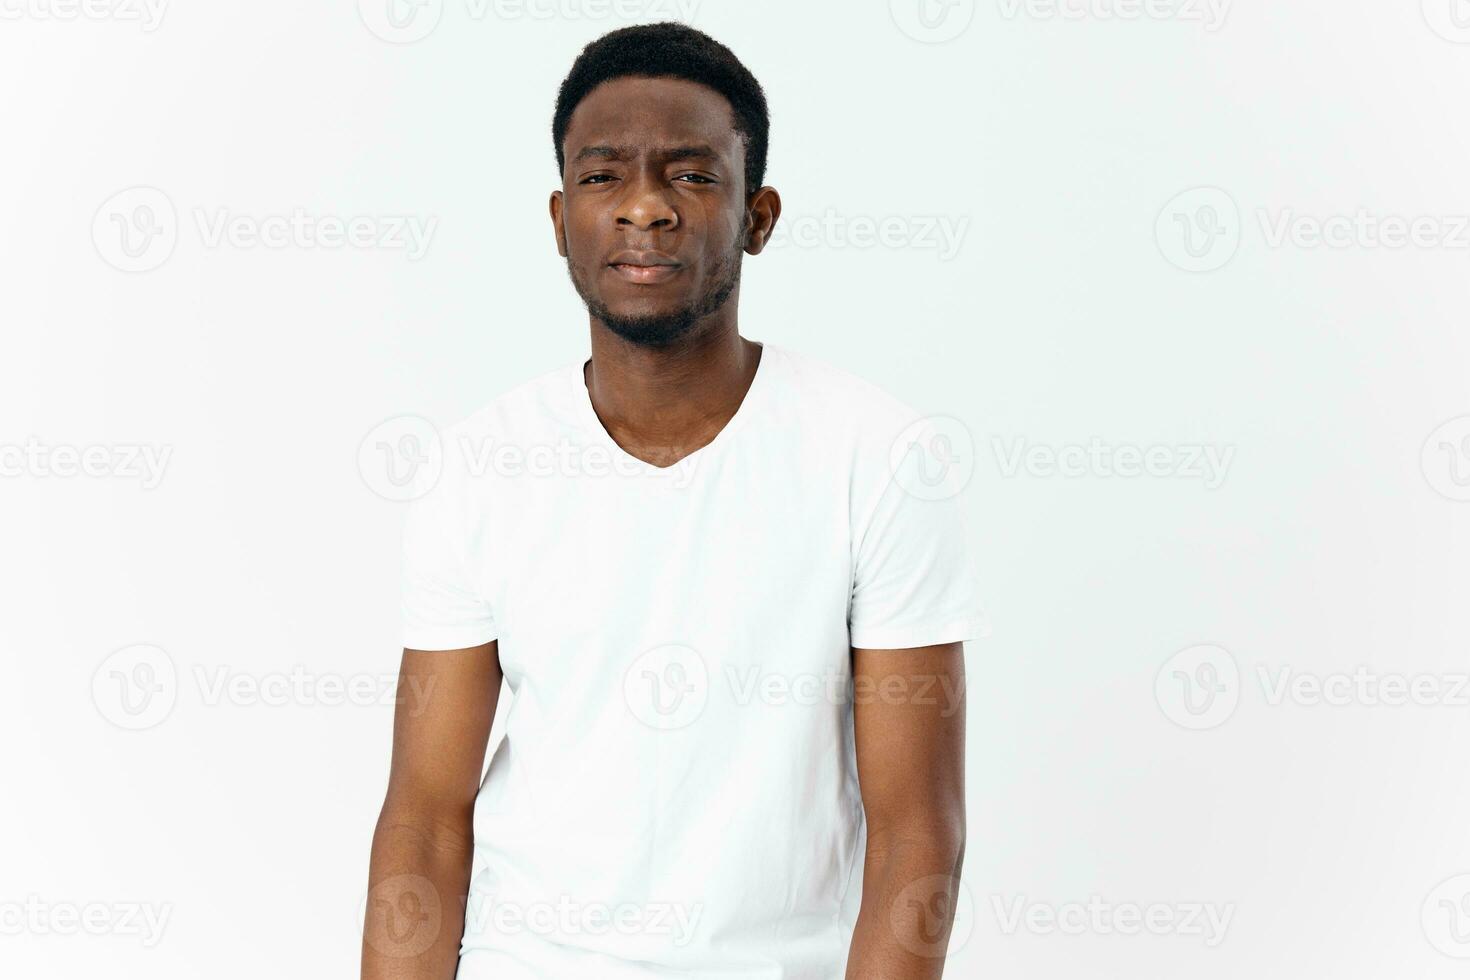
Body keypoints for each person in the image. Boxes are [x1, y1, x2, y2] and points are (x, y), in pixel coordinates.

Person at [362, 21, 985, 979]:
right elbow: (424, 822)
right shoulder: (479, 467)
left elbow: (918, 838)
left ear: (759, 216)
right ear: (561, 217)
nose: (644, 206)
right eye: (604, 174)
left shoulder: (880, 458)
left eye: (691, 175)